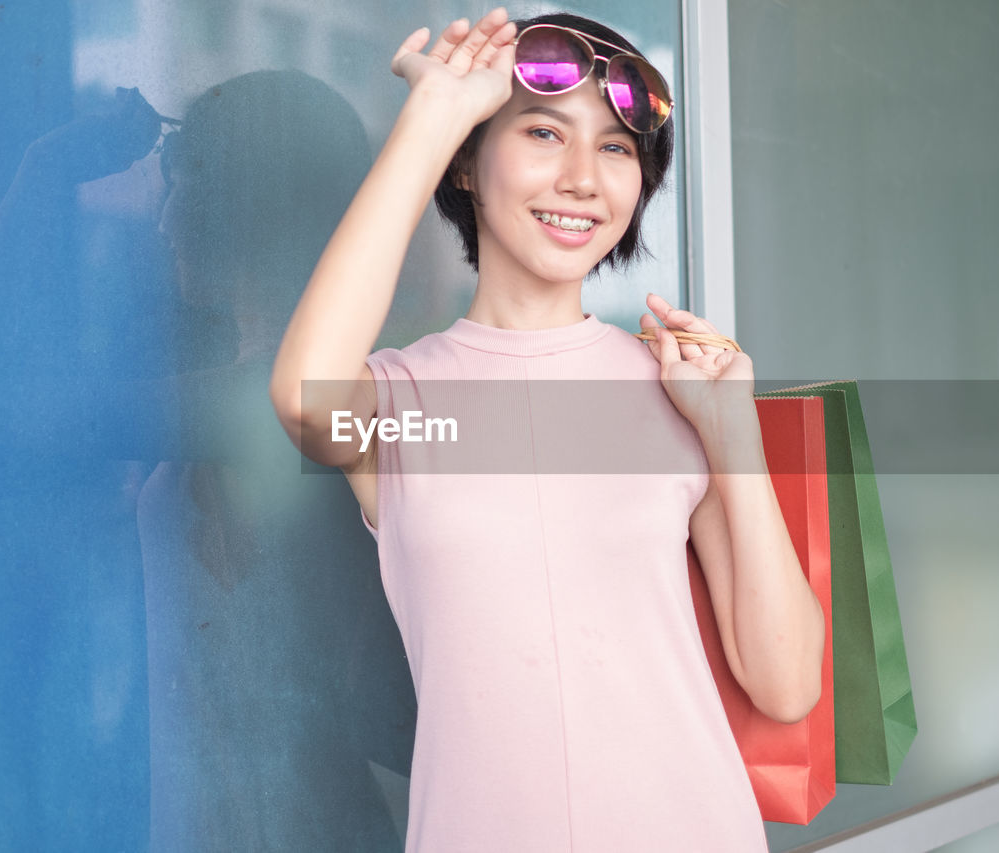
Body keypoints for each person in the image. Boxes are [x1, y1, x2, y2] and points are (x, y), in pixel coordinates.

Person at [271, 8, 824, 850]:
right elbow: (307, 403)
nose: (582, 178)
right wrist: (431, 120)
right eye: (542, 132)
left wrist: (732, 433)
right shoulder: (405, 401)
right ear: (466, 165)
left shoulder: (675, 392)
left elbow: (785, 685)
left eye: (614, 148)